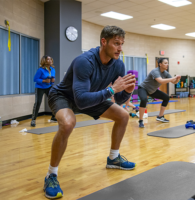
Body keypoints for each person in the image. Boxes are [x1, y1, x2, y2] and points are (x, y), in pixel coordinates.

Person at [43, 25, 136, 199]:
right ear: (103, 42)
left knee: (123, 116)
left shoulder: (118, 65)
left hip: (92, 96)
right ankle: (51, 175)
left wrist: (128, 91)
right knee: (68, 123)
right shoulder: (85, 61)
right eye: (116, 43)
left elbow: (121, 100)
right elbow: (80, 100)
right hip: (65, 96)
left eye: (122, 44)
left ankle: (114, 158)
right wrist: (111, 91)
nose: (120, 48)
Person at [137, 58, 181, 128]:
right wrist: (174, 78)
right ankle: (140, 120)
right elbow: (161, 81)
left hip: (152, 91)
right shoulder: (155, 71)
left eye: (167, 63)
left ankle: (160, 116)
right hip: (143, 88)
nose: (167, 65)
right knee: (144, 100)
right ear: (160, 64)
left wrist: (177, 79)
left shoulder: (165, 73)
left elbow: (173, 82)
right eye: (165, 63)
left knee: (166, 97)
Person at [31, 55, 57, 127]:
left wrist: (52, 81)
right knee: (38, 102)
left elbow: (51, 80)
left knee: (53, 101)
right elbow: (35, 79)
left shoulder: (52, 69)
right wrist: (44, 80)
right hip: (40, 88)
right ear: (44, 61)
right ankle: (33, 120)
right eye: (48, 59)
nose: (50, 60)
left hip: (49, 87)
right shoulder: (40, 70)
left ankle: (53, 117)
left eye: (51, 59)